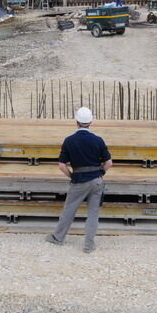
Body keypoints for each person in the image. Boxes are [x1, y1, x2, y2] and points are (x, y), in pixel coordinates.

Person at [46, 107, 113, 253]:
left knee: (69, 210)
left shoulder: (69, 141)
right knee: (93, 213)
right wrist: (100, 172)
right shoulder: (98, 140)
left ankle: (58, 238)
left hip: (79, 181)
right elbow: (109, 163)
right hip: (96, 181)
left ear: (76, 121)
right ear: (90, 122)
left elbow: (61, 165)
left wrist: (71, 175)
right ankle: (89, 245)